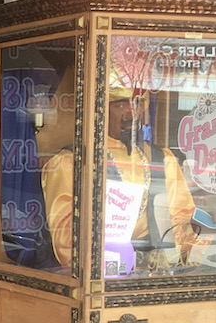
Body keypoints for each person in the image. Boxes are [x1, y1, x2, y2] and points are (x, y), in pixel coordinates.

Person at [41, 89, 201, 271]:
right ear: (100, 109)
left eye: (137, 105)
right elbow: (66, 238)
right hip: (103, 271)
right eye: (122, 105)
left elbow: (181, 219)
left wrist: (195, 259)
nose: (131, 113)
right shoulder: (71, 163)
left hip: (158, 269)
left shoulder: (162, 159)